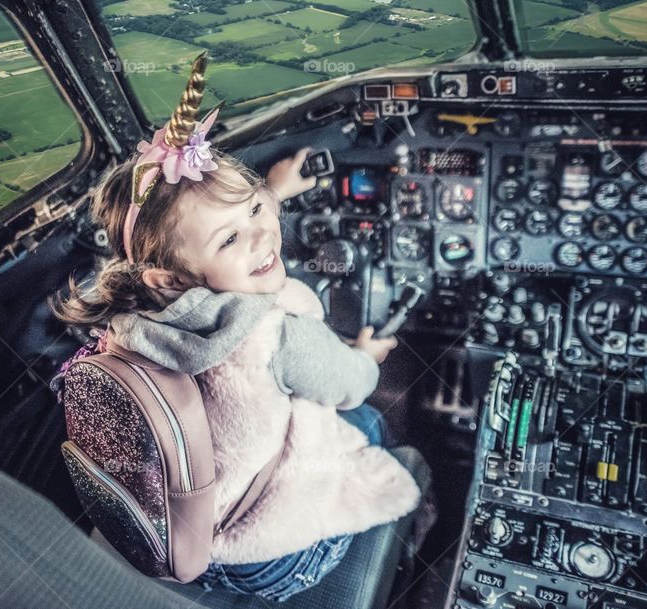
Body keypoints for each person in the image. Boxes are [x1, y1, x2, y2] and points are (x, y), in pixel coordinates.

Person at [51, 53, 421, 603]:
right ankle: (419, 521)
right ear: (171, 276)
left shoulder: (132, 320)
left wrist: (265, 197)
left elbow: (227, 230)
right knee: (366, 421)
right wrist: (365, 352)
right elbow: (353, 384)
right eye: (230, 238)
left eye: (253, 210)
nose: (261, 237)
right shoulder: (274, 331)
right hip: (276, 558)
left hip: (191, 538)